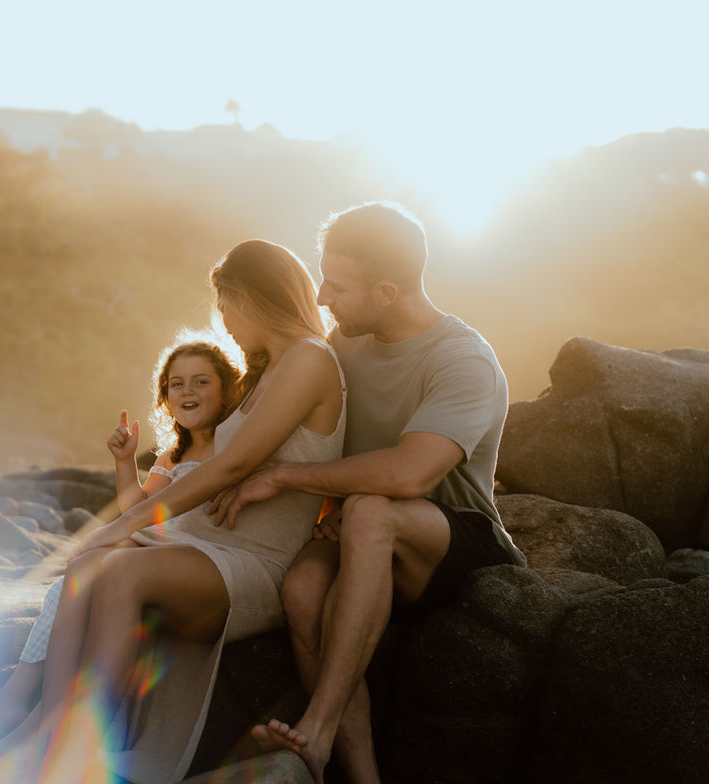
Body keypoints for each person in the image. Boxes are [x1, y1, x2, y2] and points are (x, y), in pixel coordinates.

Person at [0, 239, 347, 784]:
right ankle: (53, 729)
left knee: (119, 566)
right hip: (200, 545)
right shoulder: (266, 369)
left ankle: (85, 746)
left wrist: (124, 525)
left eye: (226, 307)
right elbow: (206, 459)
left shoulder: (310, 359)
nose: (225, 323)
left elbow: (231, 467)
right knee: (85, 569)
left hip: (254, 559)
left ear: (248, 298)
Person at [210, 201, 527, 784]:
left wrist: (287, 478)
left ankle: (319, 727)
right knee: (304, 587)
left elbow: (410, 475)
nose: (323, 298)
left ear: (386, 291)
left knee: (372, 510)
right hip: (357, 523)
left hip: (453, 538)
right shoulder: (346, 346)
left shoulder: (463, 359)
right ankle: (362, 772)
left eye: (337, 286)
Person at [0, 339, 240, 744]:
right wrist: (126, 461)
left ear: (226, 390)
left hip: (179, 563)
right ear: (165, 397)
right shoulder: (170, 458)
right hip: (150, 550)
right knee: (66, 586)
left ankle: (26, 708)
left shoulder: (234, 448)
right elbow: (138, 508)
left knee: (82, 577)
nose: (187, 391)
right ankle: (23, 701)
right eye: (176, 384)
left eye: (201, 381)